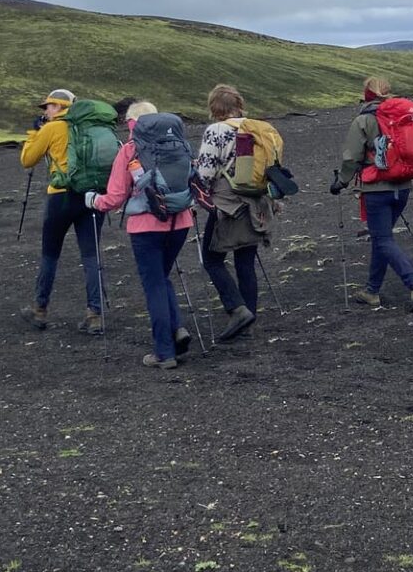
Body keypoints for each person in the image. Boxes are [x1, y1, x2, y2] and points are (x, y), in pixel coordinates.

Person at [86, 102, 195, 369]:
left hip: (146, 228)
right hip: (181, 222)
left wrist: (93, 201)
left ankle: (164, 352)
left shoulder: (130, 150)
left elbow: (115, 197)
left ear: (133, 122)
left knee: (154, 284)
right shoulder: (180, 144)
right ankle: (176, 328)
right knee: (162, 277)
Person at [330, 78, 413, 311]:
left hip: (376, 189)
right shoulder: (402, 116)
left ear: (366, 94)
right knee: (382, 238)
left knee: (382, 239)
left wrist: (341, 182)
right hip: (403, 186)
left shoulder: (364, 119)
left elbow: (352, 157)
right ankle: (372, 291)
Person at [18, 87, 107, 334]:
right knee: (91, 255)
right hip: (92, 195)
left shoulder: (52, 128)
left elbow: (27, 159)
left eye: (48, 106)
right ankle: (95, 314)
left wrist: (34, 132)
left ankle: (40, 309)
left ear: (58, 107)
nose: (45, 110)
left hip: (61, 197)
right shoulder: (91, 128)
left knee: (50, 253)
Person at [194, 84, 274, 342]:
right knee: (245, 262)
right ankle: (248, 319)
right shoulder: (256, 127)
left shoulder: (216, 130)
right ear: (238, 104)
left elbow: (205, 171)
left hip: (228, 204)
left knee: (211, 258)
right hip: (257, 201)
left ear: (214, 107)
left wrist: (198, 192)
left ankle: (237, 310)